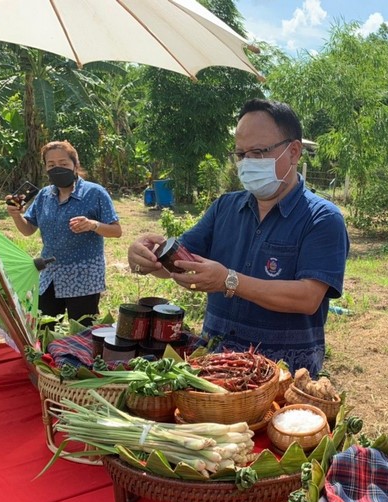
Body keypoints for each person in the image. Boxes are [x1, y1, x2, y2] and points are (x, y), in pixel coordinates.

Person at [127, 98, 349, 376]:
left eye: (258, 152)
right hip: (215, 364)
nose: (247, 163)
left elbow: (307, 297)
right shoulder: (225, 208)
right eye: (241, 154)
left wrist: (229, 281)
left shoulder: (322, 218)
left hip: (284, 374)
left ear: (293, 152)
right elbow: (178, 262)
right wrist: (146, 257)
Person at [6, 140, 122, 325]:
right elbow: (28, 229)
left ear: (75, 165)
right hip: (50, 274)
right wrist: (15, 215)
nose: (57, 168)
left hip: (83, 276)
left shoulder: (95, 193)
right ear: (45, 168)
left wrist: (93, 225)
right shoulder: (44, 195)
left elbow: (116, 231)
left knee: (83, 331)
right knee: (46, 330)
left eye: (63, 163)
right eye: (51, 165)